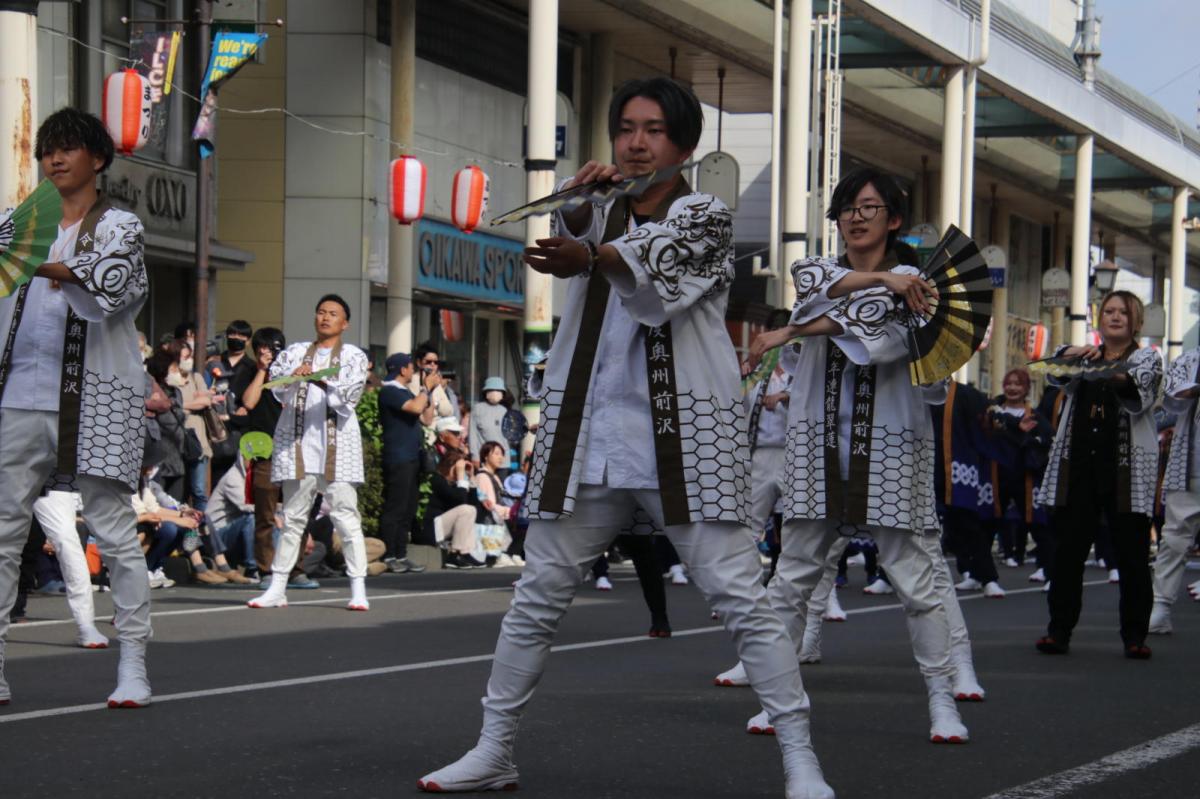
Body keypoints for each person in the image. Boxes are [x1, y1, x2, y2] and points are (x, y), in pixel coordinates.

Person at [419, 77, 833, 798]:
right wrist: (578, 205)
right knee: (538, 596)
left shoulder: (704, 213)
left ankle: (801, 755)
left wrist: (596, 253)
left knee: (741, 598)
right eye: (626, 129)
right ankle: (493, 748)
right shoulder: (598, 206)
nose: (637, 143)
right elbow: (574, 239)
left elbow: (655, 278)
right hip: (587, 434)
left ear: (685, 146)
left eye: (655, 131)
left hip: (683, 440)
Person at [737, 165, 971, 743]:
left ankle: (944, 700)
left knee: (917, 585)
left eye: (869, 208)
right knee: (790, 580)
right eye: (847, 208)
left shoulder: (921, 285)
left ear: (893, 219)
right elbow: (814, 285)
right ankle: (778, 699)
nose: (855, 218)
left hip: (892, 446)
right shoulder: (820, 269)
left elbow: (885, 342)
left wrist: (796, 331)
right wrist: (881, 284)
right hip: (815, 444)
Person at [0, 107, 152, 708]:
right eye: (47, 151)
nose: (54, 159)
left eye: (67, 148)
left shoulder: (122, 225)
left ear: (98, 159)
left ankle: (134, 664)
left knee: (114, 533)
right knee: (4, 533)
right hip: (20, 395)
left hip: (98, 395)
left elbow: (107, 281)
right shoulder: (15, 223)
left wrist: (30, 262)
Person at [1035, 290, 1161, 659]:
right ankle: (1058, 631)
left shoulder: (1147, 358)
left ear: (1135, 321)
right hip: (1080, 466)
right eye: (1109, 311)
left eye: (1124, 312)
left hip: (1125, 470)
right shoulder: (1085, 355)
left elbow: (1139, 389)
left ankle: (1135, 635)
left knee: (1133, 556)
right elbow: (1054, 371)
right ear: (1099, 318)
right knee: (1069, 553)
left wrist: (1103, 369)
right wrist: (1073, 354)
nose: (1116, 317)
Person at [247, 294, 371, 612]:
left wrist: (316, 380)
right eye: (320, 312)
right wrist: (296, 378)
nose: (325, 318)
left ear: (345, 323)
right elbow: (277, 388)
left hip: (337, 444)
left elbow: (349, 396)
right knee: (292, 518)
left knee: (345, 515)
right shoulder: (295, 352)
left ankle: (358, 587)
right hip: (298, 444)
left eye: (333, 314)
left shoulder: (353, 355)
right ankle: (277, 586)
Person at [232, 326, 313, 586]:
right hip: (265, 451)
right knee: (265, 514)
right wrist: (261, 370)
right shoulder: (249, 372)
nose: (270, 353)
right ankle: (266, 570)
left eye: (274, 348)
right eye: (263, 349)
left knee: (297, 512)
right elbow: (249, 403)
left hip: (294, 449)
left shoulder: (292, 369)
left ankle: (297, 570)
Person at [933, 380, 1005, 598]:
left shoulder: (966, 394)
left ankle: (987, 578)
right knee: (910, 528)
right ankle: (886, 577)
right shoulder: (911, 390)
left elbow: (988, 424)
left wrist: (997, 422)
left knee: (968, 525)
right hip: (922, 464)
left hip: (957, 468)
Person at [985, 368, 1054, 583]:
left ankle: (1046, 568)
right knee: (988, 523)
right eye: (1009, 383)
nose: (1012, 388)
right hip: (996, 475)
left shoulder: (1035, 416)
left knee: (1038, 524)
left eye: (1018, 384)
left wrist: (1029, 440)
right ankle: (982, 573)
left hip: (1025, 476)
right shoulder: (991, 412)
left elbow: (1048, 440)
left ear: (1026, 389)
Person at [1151, 346, 1200, 634]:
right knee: (1175, 536)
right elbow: (1173, 394)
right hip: (1190, 462)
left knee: (1175, 536)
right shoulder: (1189, 358)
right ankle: (1159, 606)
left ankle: (1160, 607)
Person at [378, 352, 433, 574]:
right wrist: (425, 388)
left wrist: (431, 391)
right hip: (398, 457)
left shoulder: (405, 392)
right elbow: (414, 408)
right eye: (411, 367)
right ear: (402, 370)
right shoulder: (389, 390)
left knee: (408, 507)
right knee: (396, 507)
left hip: (412, 458)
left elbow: (426, 418)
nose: (414, 371)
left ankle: (401, 554)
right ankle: (389, 554)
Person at [427, 451, 486, 569]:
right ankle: (454, 554)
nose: (462, 473)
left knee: (470, 510)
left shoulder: (457, 486)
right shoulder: (437, 480)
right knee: (466, 510)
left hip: (443, 528)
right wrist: (460, 476)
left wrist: (471, 478)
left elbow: (475, 511)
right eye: (461, 469)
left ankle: (464, 552)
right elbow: (460, 501)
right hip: (432, 528)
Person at [476, 441, 520, 567]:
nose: (500, 457)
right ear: (485, 455)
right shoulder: (483, 476)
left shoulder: (494, 476)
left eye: (502, 454)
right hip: (489, 519)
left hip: (498, 515)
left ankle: (511, 553)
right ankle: (499, 555)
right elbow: (490, 504)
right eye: (496, 454)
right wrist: (508, 511)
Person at [410, 343, 456, 426]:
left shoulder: (435, 382)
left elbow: (449, 411)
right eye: (428, 362)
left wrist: (435, 404)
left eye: (436, 362)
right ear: (419, 363)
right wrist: (436, 405)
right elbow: (420, 413)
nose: (432, 365)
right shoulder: (412, 381)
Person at [470, 377, 510, 467]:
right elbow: (473, 435)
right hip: (484, 459)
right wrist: (475, 456)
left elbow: (507, 437)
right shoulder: (478, 409)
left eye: (498, 390)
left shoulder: (504, 411)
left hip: (503, 461)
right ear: (486, 392)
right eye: (492, 390)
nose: (495, 393)